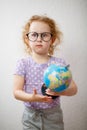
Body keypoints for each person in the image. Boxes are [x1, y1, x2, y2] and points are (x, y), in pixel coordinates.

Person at [13, 15, 77, 130]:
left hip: (53, 116)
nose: (39, 39)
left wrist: (61, 92)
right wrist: (31, 98)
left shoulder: (59, 64)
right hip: (31, 116)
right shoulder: (23, 63)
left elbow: (73, 89)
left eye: (44, 35)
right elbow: (16, 92)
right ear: (27, 39)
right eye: (34, 35)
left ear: (52, 40)